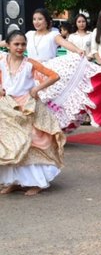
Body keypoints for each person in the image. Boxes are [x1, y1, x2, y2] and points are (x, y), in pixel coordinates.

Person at [0, 29, 65, 196]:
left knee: (32, 143)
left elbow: (54, 76)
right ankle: (14, 182)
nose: (20, 47)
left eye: (23, 44)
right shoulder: (1, 61)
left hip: (28, 106)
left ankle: (36, 183)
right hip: (8, 107)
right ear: (8, 45)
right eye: (16, 44)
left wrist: (37, 88)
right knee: (11, 144)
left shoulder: (30, 63)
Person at [22, 8, 93, 132]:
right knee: (30, 100)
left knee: (47, 102)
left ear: (47, 21)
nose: (36, 22)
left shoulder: (53, 35)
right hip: (30, 71)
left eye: (40, 19)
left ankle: (51, 129)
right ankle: (35, 130)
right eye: (34, 19)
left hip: (48, 71)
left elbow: (65, 43)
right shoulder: (29, 34)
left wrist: (77, 50)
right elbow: (11, 42)